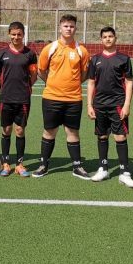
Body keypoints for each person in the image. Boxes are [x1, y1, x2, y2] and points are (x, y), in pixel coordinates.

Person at [34, 14, 90, 179]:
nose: (69, 29)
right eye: (66, 26)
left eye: (71, 26)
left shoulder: (81, 50)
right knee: (49, 131)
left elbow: (84, 74)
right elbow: (41, 71)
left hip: (74, 99)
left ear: (75, 28)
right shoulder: (50, 48)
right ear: (60, 28)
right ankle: (43, 165)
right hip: (52, 98)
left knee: (72, 132)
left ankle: (77, 166)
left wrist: (73, 85)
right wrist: (52, 83)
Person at [86, 26, 133, 187]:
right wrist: (89, 105)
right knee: (102, 136)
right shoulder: (95, 59)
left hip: (117, 104)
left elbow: (129, 82)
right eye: (105, 37)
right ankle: (103, 168)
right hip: (100, 104)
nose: (108, 39)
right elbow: (91, 82)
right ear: (101, 39)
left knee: (120, 137)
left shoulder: (124, 58)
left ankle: (124, 172)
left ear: (115, 38)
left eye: (110, 36)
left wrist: (127, 104)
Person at [0, 21, 37, 177]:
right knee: (6, 130)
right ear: (9, 34)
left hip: (23, 99)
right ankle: (6, 163)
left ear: (23, 35)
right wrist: (6, 87)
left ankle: (19, 164)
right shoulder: (1, 53)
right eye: (13, 34)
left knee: (20, 130)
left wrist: (25, 87)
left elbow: (34, 75)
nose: (16, 37)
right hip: (6, 98)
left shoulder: (30, 54)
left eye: (19, 34)